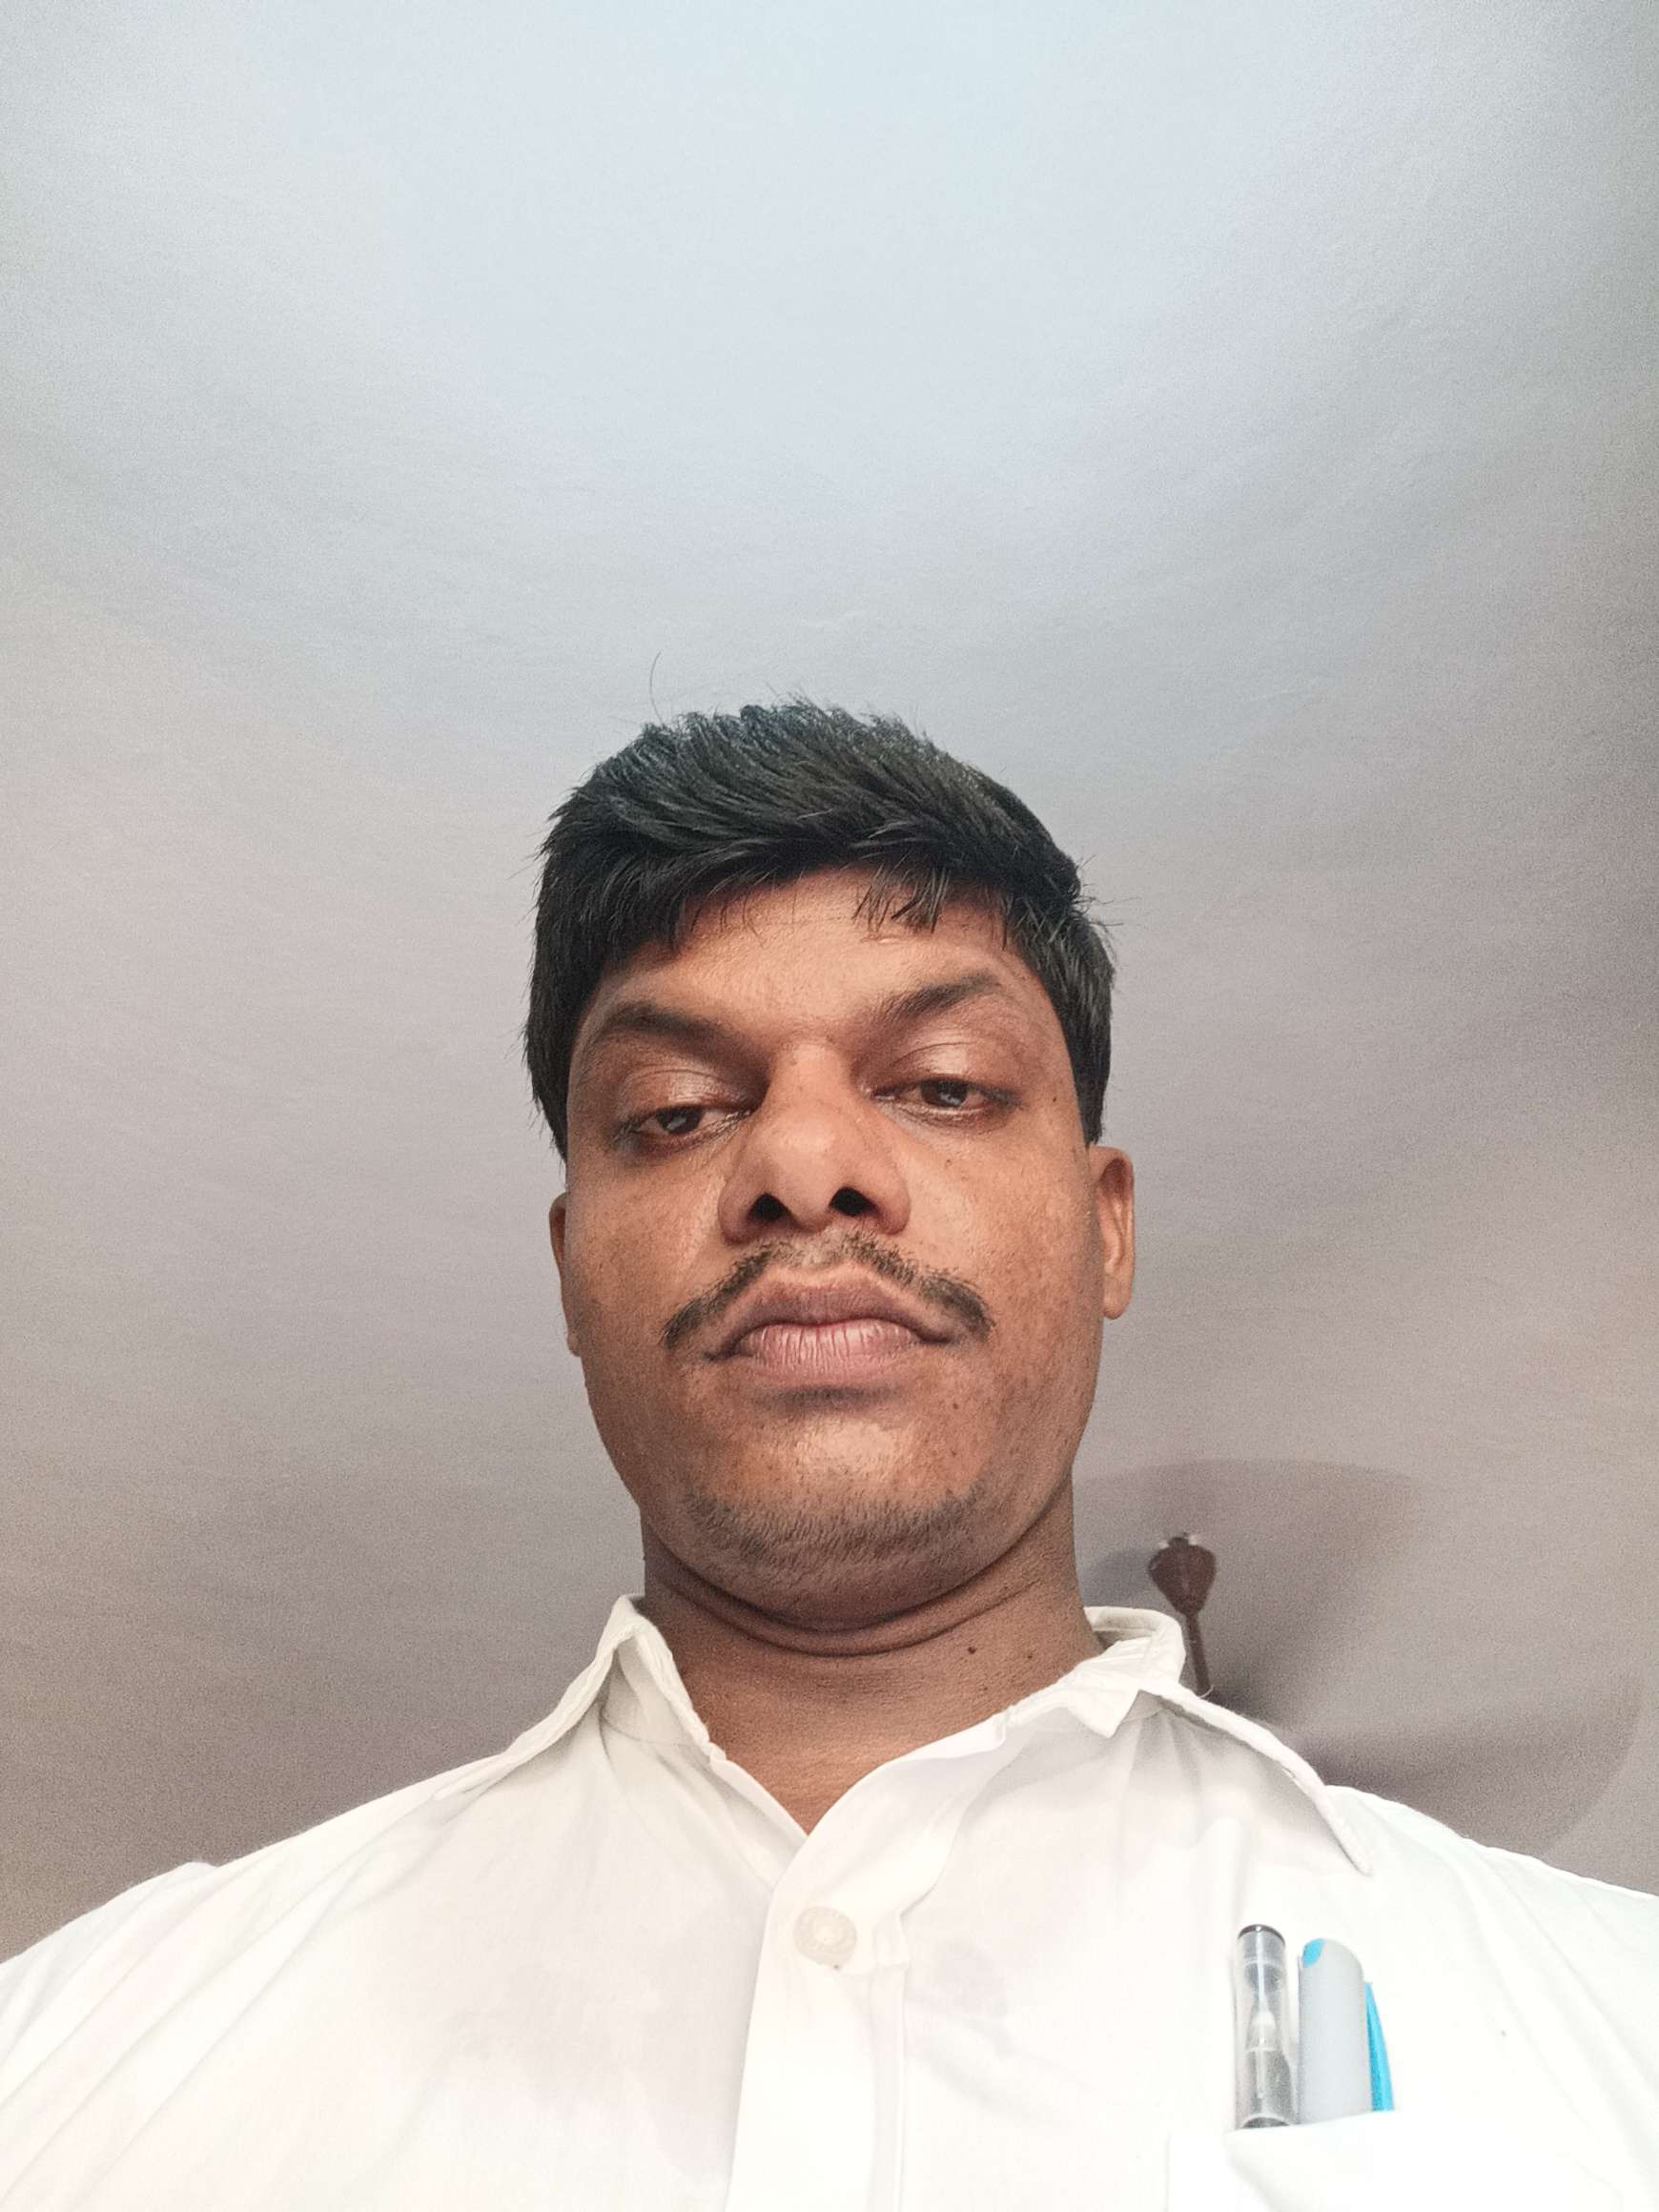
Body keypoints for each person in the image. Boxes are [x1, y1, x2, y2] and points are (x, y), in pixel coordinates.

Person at [0, 703, 1654, 2211]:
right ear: (573, 1273)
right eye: (676, 1110)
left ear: (1105, 1229)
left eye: (942, 1085)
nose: (803, 1163)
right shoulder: (80, 2064)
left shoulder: (1613, 2038)